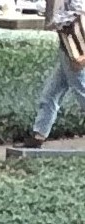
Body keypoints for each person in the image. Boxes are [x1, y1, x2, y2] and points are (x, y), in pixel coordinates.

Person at [28, 0, 85, 146]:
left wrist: (54, 20)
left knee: (81, 92)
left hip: (74, 46)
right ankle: (39, 136)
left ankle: (38, 136)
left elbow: (77, 13)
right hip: (68, 45)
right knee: (51, 92)